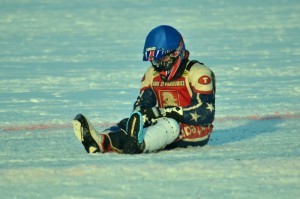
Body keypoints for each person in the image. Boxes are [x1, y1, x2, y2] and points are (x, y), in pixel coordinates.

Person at [73, 25, 216, 154]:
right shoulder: (151, 74)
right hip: (164, 123)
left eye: (163, 59)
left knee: (170, 124)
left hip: (196, 130)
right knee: (132, 121)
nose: (159, 66)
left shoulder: (199, 73)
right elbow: (143, 104)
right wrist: (142, 115)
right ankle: (103, 141)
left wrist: (164, 112)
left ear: (176, 52)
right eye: (155, 61)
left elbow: (206, 112)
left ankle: (140, 145)